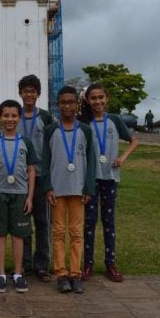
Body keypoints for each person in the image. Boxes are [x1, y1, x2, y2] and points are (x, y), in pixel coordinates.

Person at [80, 83, 139, 283]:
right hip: (90, 179)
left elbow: (134, 141)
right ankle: (87, 265)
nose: (97, 101)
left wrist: (122, 159)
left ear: (107, 99)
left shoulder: (114, 120)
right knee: (89, 221)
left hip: (111, 178)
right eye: (93, 98)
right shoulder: (84, 122)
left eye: (100, 97)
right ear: (87, 100)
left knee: (108, 221)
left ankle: (110, 264)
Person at [42, 86, 96, 294]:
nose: (67, 106)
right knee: (58, 232)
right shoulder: (51, 131)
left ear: (77, 104)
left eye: (71, 102)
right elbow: (45, 161)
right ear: (57, 105)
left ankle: (75, 273)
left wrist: (88, 187)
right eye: (63, 102)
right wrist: (47, 187)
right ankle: (61, 273)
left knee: (76, 232)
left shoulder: (85, 130)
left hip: (78, 189)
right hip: (56, 189)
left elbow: (91, 162)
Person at [0, 100, 37, 294]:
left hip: (20, 194)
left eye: (14, 116)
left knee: (18, 236)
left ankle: (18, 273)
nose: (10, 119)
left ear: (19, 117)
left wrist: (30, 197)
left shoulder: (26, 142)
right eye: (6, 115)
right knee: (0, 234)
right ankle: (1, 274)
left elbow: (31, 171)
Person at [15, 74, 54, 281]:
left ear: (38, 94)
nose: (29, 94)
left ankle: (42, 265)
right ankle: (25, 263)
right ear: (20, 94)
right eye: (25, 91)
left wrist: (49, 179)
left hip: (40, 176)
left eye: (32, 91)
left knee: (42, 221)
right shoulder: (14, 116)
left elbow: (51, 148)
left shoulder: (45, 117)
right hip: (19, 177)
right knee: (22, 221)